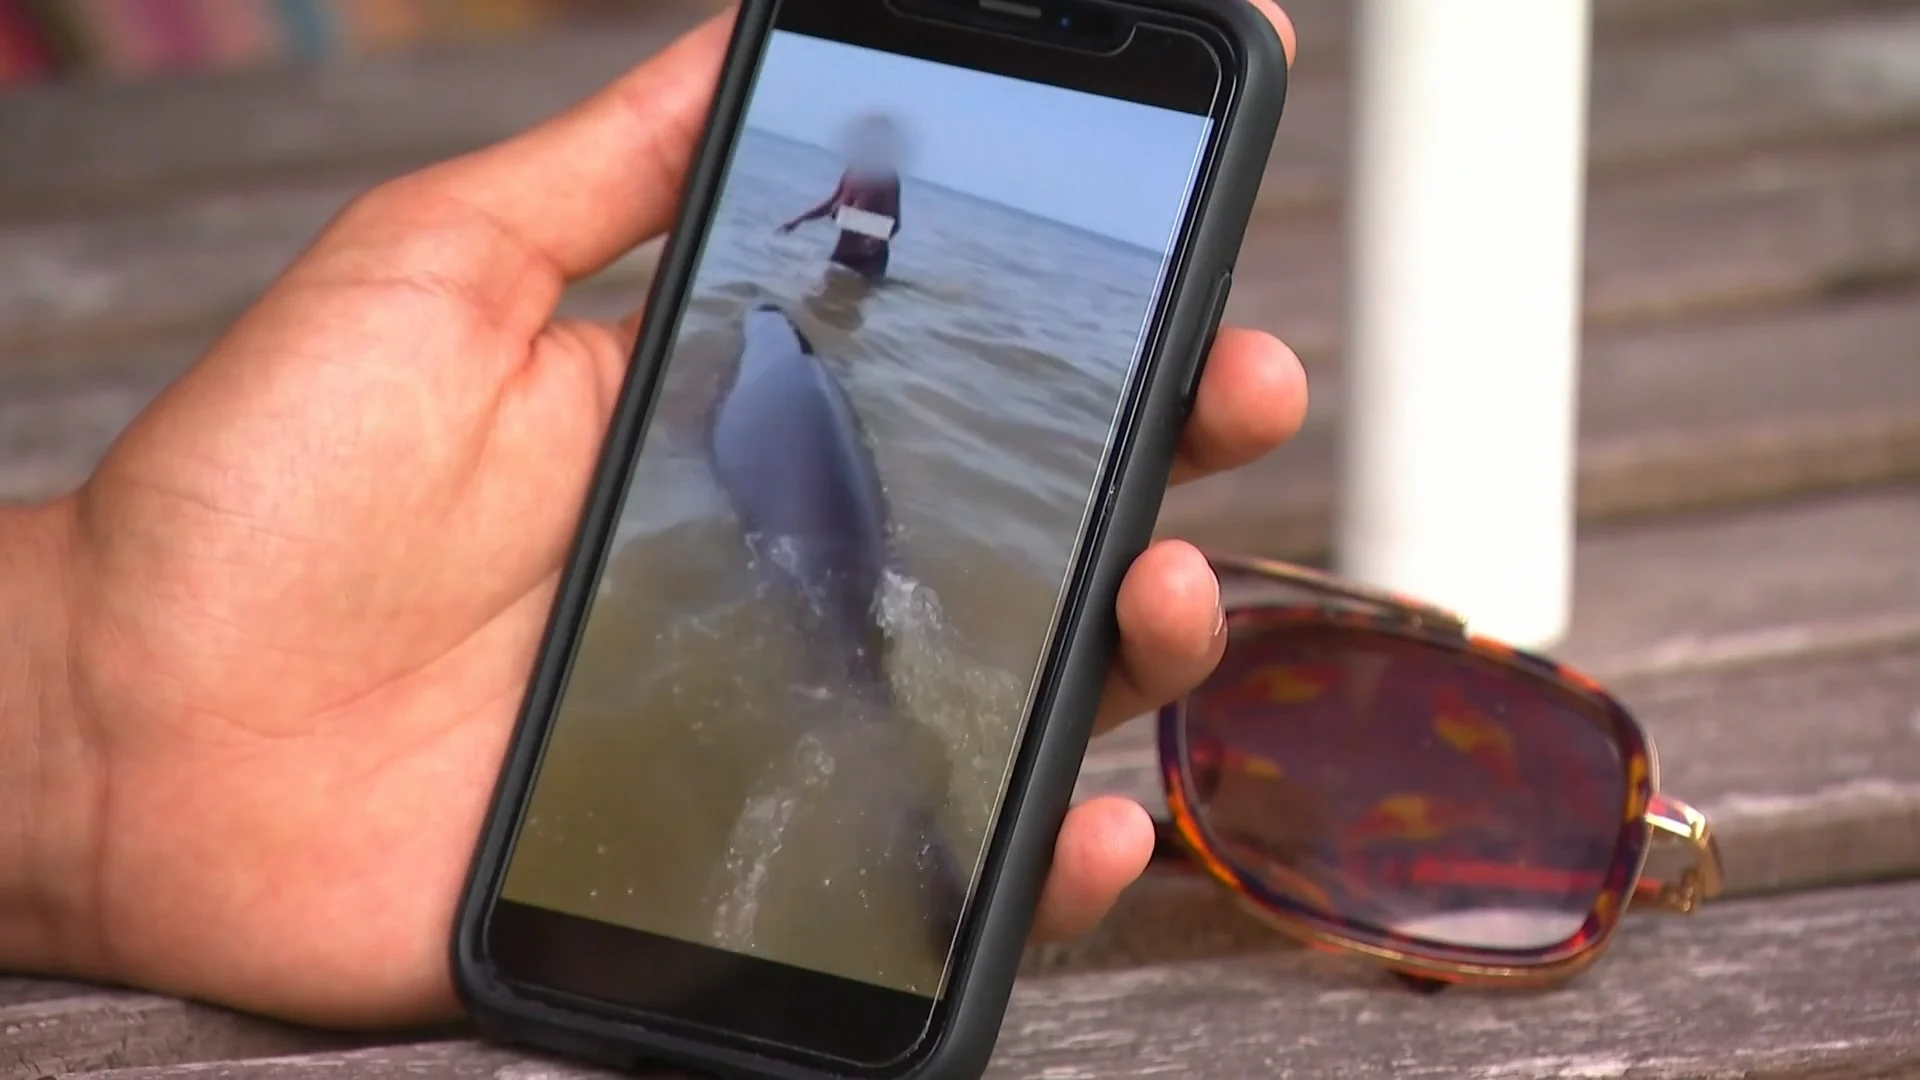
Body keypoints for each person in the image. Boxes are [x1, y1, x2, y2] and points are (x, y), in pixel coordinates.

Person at [0, 1, 1300, 1033]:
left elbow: (848, 254)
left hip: (783, 457)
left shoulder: (791, 306)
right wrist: (76, 724)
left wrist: (78, 730)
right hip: (832, 508)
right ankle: (919, 870)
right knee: (871, 657)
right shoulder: (833, 269)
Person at [778, 113, 904, 280]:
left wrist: (874, 239)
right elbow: (832, 203)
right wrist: (798, 220)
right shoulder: (853, 170)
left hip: (867, 264)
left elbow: (894, 224)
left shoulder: (887, 176)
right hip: (841, 254)